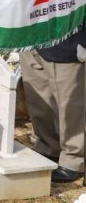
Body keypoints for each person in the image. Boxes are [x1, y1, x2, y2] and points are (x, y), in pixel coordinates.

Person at [20, 23, 86, 184]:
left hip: (69, 38)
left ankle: (74, 158)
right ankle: (48, 146)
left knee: (70, 107)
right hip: (32, 34)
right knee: (40, 101)